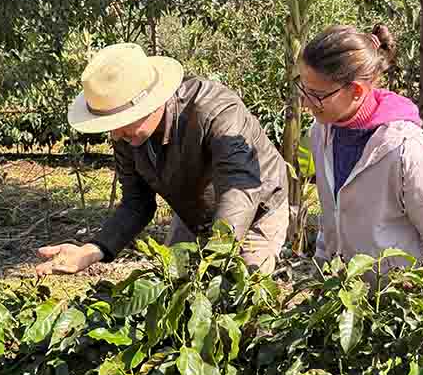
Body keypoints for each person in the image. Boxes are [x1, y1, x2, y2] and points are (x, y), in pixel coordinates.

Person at [35, 43, 289, 275]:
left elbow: (239, 188)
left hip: (256, 207)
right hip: (195, 210)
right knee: (171, 289)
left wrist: (212, 262)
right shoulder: (126, 136)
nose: (115, 134)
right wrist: (90, 251)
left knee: (239, 296)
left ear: (152, 103)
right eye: (108, 125)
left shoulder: (215, 111)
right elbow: (137, 203)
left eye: (120, 123)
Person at [302, 24, 423, 284]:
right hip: (347, 298)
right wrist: (322, 272)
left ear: (356, 91)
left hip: (401, 305)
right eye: (303, 89)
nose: (305, 102)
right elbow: (332, 217)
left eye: (316, 95)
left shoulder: (407, 151)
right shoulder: (321, 133)